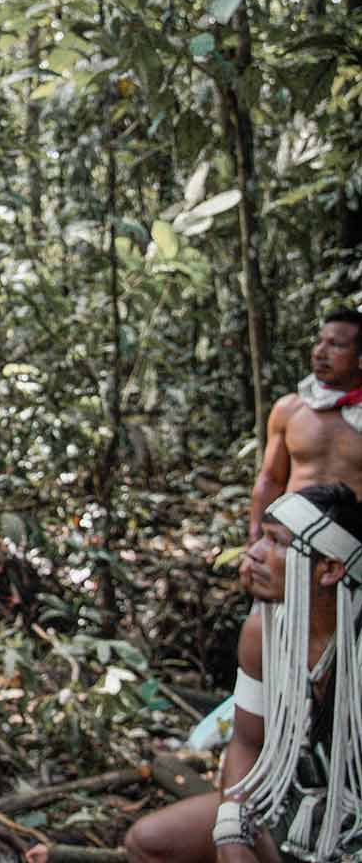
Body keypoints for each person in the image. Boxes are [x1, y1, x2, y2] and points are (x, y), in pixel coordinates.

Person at [120, 482, 362, 863]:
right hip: (293, 801)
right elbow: (248, 741)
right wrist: (232, 826)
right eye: (261, 538)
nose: (255, 553)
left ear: (329, 569)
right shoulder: (262, 634)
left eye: (277, 542)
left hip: (350, 821)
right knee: (149, 843)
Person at [249, 309, 362, 544]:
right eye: (319, 342)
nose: (320, 352)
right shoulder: (290, 409)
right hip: (290, 535)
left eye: (336, 345)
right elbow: (270, 479)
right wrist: (256, 538)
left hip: (352, 543)